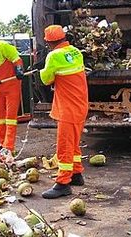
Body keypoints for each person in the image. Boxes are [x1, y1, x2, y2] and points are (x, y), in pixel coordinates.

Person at [39, 25, 89, 199]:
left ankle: (63, 183)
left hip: (68, 109)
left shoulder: (53, 56)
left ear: (49, 42)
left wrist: (41, 70)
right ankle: (76, 174)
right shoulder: (76, 52)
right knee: (73, 143)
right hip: (80, 106)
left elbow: (46, 79)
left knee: (64, 147)